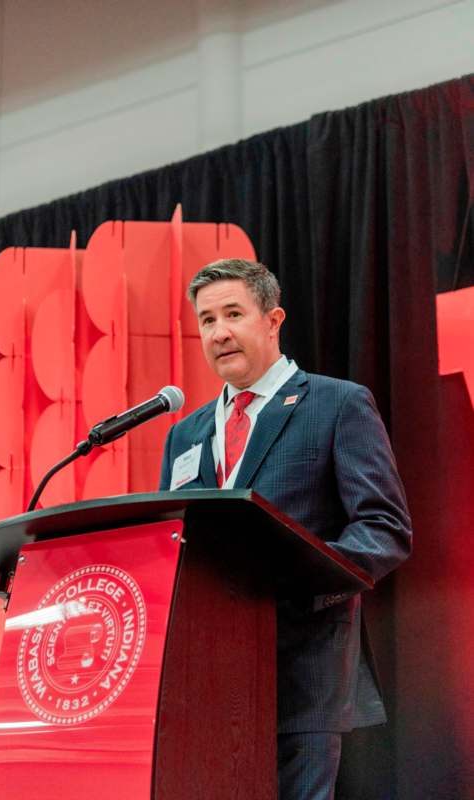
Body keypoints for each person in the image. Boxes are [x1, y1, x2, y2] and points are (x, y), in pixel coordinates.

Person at [159, 258, 412, 800]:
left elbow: (384, 527)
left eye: (233, 313)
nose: (219, 331)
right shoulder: (184, 435)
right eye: (206, 320)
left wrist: (297, 582)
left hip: (304, 670)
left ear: (273, 320)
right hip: (205, 684)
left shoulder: (337, 404)